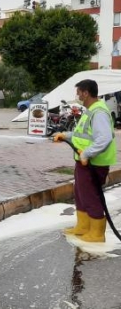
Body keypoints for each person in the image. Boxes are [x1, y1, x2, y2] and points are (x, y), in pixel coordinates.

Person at [53, 79, 117, 243]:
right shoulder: (90, 110)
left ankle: (96, 233)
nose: (77, 95)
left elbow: (104, 138)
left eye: (79, 92)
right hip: (85, 162)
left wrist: (87, 153)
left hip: (94, 163)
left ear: (86, 93)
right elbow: (82, 133)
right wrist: (65, 136)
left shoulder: (99, 112)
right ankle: (83, 226)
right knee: (80, 194)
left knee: (90, 196)